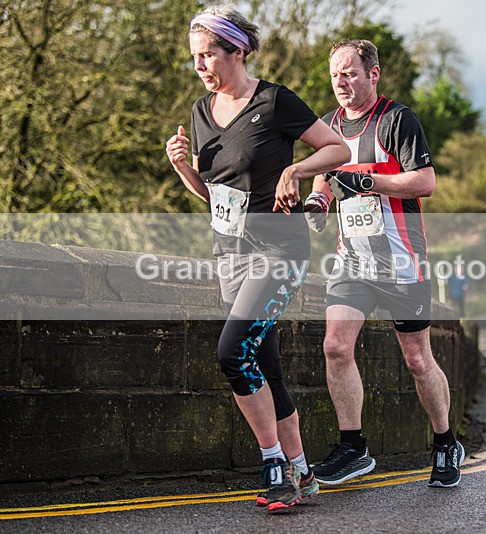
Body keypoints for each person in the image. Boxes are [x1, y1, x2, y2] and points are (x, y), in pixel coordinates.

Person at [164, 5, 350, 512]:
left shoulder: (275, 101)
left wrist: (297, 171)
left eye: (208, 56)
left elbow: (337, 149)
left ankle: (273, 466)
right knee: (264, 363)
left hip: (279, 250)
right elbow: (216, 197)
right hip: (231, 255)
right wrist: (184, 169)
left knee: (230, 353)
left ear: (237, 51)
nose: (200, 67)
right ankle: (304, 471)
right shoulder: (203, 112)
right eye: (194, 58)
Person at [303, 39, 464, 488]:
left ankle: (446, 441)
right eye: (335, 74)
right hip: (351, 260)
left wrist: (369, 180)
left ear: (373, 75)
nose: (342, 81)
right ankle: (353, 447)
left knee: (417, 359)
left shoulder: (397, 119)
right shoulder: (328, 124)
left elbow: (425, 182)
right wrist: (317, 202)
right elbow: (324, 179)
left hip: (401, 261)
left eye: (350, 73)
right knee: (336, 346)